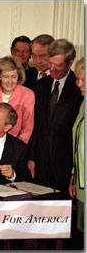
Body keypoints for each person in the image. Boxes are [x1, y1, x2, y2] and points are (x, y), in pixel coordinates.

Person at [27, 39, 83, 193]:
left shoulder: (79, 89)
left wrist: (76, 171)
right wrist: (31, 157)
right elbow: (35, 125)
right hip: (40, 163)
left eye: (57, 65)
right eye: (50, 63)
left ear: (70, 63)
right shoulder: (39, 86)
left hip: (65, 164)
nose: (51, 68)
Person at [0, 55, 35, 144]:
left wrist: (17, 149)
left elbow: (27, 128)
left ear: (18, 76)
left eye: (13, 77)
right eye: (5, 77)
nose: (10, 81)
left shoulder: (28, 94)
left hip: (17, 144)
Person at [69, 57, 84, 235]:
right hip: (81, 182)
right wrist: (74, 174)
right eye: (78, 79)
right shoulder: (83, 104)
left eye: (83, 79)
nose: (78, 83)